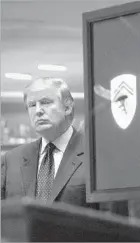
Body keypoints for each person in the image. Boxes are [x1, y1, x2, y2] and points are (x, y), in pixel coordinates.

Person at [1, 77, 96, 209]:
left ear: (67, 107)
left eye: (45, 102)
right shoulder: (11, 160)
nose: (38, 110)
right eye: (32, 105)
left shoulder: (95, 154)